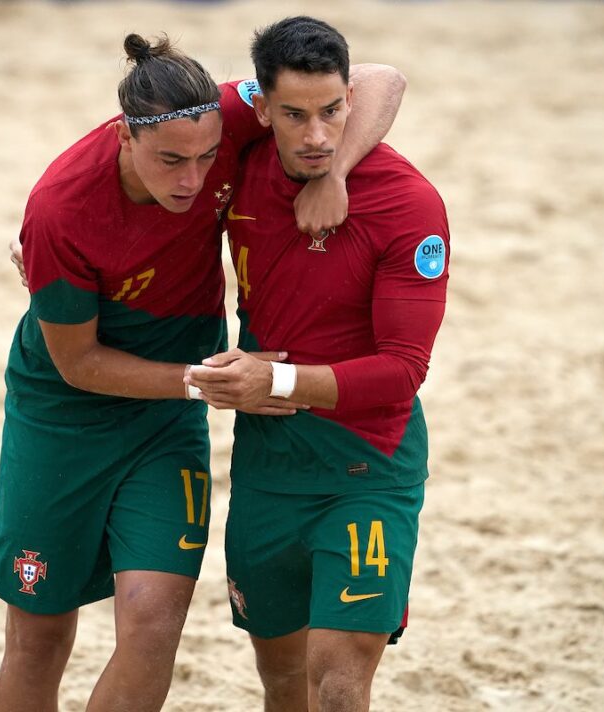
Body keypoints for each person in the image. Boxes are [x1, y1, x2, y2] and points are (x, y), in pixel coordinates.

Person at [0, 31, 405, 712]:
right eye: (171, 161)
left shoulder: (226, 110)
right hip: (62, 413)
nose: (192, 179)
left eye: (209, 158)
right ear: (124, 137)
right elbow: (79, 362)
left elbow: (381, 78)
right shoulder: (61, 209)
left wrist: (334, 174)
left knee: (153, 624)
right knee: (39, 634)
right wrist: (202, 383)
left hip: (166, 415)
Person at [185, 16, 450, 712]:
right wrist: (45, 238)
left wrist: (270, 379)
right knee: (282, 685)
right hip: (269, 466)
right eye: (294, 115)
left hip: (368, 469)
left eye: (332, 111)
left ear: (350, 103)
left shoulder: (407, 203)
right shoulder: (233, 170)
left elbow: (401, 372)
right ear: (260, 108)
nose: (316, 135)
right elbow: (142, 145)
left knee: (337, 687)